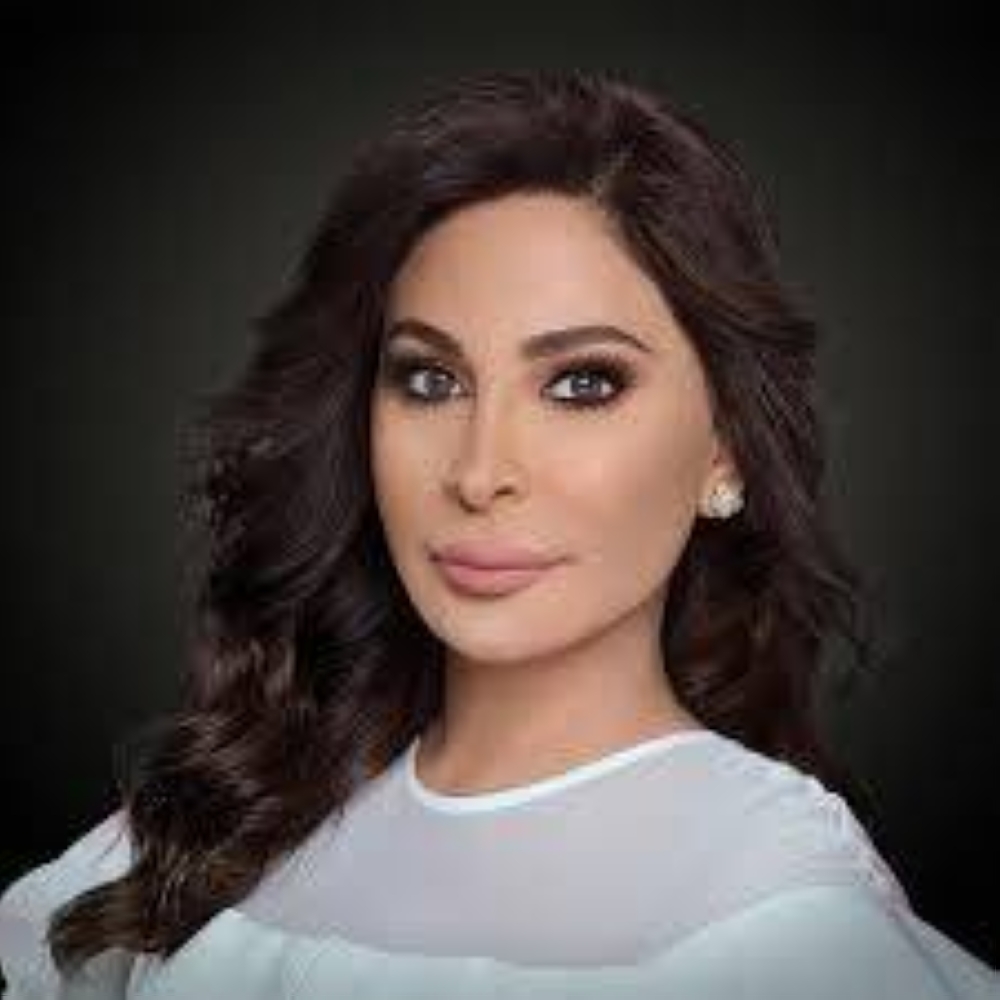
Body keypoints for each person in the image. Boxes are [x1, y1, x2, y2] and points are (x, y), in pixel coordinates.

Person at [0, 68, 995, 1000]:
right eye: (428, 379)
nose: (479, 473)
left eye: (583, 384)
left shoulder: (781, 906)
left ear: (725, 452)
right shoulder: (226, 821)